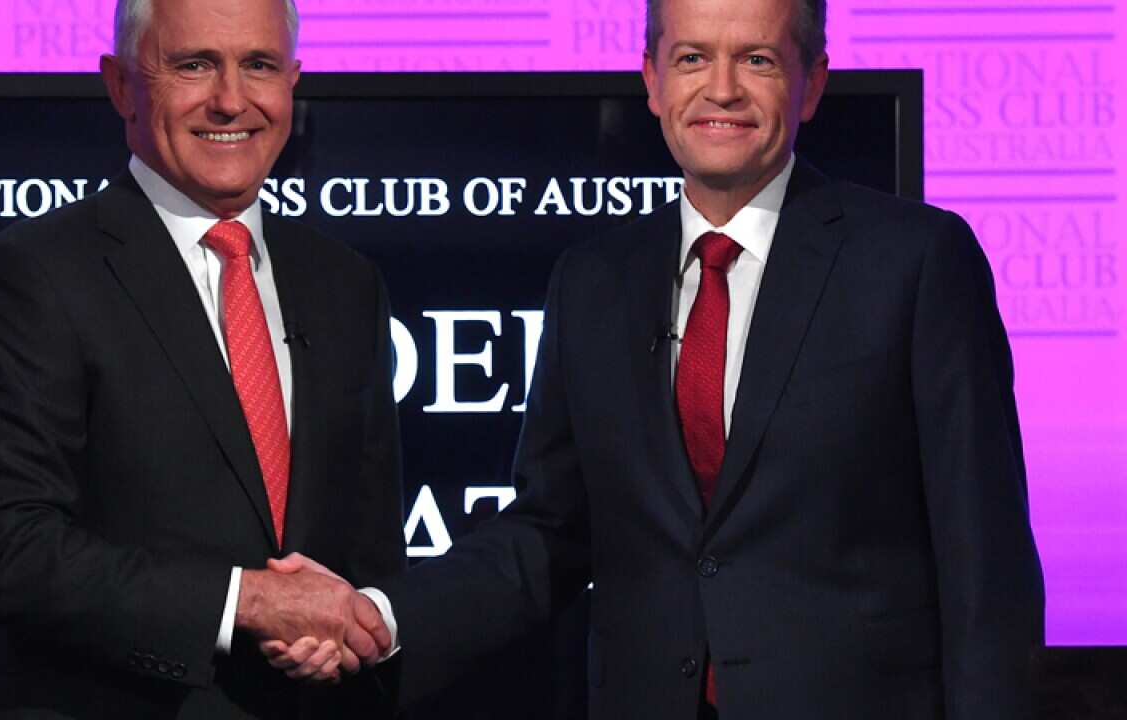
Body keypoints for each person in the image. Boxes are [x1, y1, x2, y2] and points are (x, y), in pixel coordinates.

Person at [272, 0, 1045, 717]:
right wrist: (380, 615)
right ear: (651, 79)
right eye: (692, 59)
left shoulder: (914, 262)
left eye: (759, 61)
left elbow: (985, 564)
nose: (723, 90)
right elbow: (550, 529)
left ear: (813, 85)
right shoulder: (594, 280)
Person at [0, 0, 403, 716]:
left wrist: (348, 624)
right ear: (121, 84)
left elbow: (368, 546)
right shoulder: (32, 277)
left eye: (259, 66)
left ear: (293, 82)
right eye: (194, 65)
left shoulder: (346, 285)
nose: (230, 100)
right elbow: (2, 550)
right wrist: (245, 602)